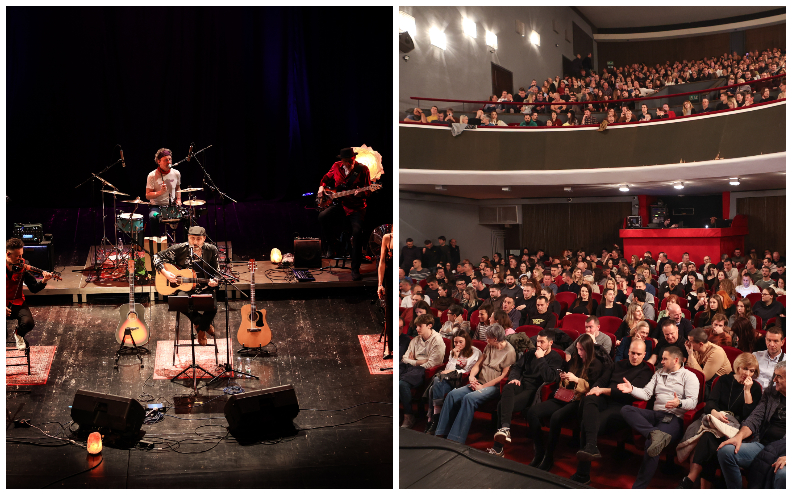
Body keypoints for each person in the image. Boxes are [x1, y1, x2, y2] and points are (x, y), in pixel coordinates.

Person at [571, 339, 654, 484]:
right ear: (628, 352)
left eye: (638, 354)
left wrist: (602, 390)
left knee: (587, 423)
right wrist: (595, 389)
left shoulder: (646, 371)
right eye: (632, 353)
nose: (635, 356)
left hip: (623, 407)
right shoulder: (618, 364)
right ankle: (591, 446)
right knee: (589, 398)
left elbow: (627, 393)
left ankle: (583, 473)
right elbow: (601, 381)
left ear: (644, 355)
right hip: (604, 400)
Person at [618, 346, 699, 488]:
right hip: (655, 414)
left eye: (664, 359)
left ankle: (638, 488)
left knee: (652, 445)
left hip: (673, 418)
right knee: (626, 410)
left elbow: (693, 403)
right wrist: (632, 390)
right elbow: (647, 394)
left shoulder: (690, 376)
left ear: (676, 360)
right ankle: (653, 433)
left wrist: (679, 402)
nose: (661, 361)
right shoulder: (659, 373)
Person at [677, 352, 762, 488]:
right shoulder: (723, 380)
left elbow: (750, 416)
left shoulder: (755, 388)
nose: (748, 373)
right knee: (711, 437)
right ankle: (702, 486)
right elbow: (711, 402)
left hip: (736, 427)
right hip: (716, 421)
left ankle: (690, 479)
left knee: (709, 437)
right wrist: (715, 413)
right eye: (745, 368)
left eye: (752, 371)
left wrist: (747, 391)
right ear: (738, 367)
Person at [526, 334, 608, 471]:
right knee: (532, 412)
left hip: (579, 400)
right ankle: (539, 451)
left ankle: (549, 456)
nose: (579, 353)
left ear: (588, 349)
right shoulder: (575, 360)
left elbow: (594, 388)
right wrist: (564, 377)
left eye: (582, 350)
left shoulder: (596, 364)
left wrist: (576, 380)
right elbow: (563, 377)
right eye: (578, 349)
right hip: (564, 395)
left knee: (556, 417)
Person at [435, 324, 516, 444]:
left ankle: (455, 438)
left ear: (495, 338)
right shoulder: (489, 346)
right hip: (479, 382)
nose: (486, 340)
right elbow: (478, 364)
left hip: (493, 387)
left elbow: (503, 376)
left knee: (469, 398)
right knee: (453, 395)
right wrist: (472, 377)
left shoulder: (510, 351)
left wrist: (483, 387)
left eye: (488, 338)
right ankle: (441, 431)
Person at [489, 328, 563, 456]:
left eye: (542, 342)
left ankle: (498, 447)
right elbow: (517, 367)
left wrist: (541, 359)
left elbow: (549, 378)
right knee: (508, 386)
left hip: (534, 390)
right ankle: (505, 428)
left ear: (550, 343)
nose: (538, 345)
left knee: (502, 405)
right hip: (521, 383)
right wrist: (514, 378)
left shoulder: (555, 357)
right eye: (537, 341)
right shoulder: (530, 352)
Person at [716, 361, 786, 489]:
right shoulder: (771, 393)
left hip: (786, 451)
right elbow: (755, 417)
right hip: (763, 445)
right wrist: (739, 437)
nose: (774, 379)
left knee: (783, 473)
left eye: (779, 376)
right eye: (774, 375)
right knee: (726, 451)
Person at [153, 226, 219, 346]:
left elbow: (217, 273)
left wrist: (215, 280)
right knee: (178, 302)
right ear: (188, 237)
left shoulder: (211, 250)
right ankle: (200, 323)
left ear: (204, 238)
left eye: (198, 239)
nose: (195, 242)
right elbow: (156, 257)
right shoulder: (180, 249)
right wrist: (165, 273)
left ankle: (201, 329)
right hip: (185, 288)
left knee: (213, 307)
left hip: (205, 288)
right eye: (192, 238)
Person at [317, 148, 371, 280]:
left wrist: (362, 193)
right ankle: (331, 245)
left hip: (356, 208)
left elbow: (369, 190)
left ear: (354, 159)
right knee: (323, 217)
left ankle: (355, 269)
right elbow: (325, 178)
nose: (348, 163)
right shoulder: (336, 166)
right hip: (341, 205)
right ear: (342, 160)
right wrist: (321, 187)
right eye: (346, 161)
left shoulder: (363, 169)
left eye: (351, 161)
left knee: (357, 233)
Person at [424, 329, 482, 433]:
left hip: (462, 381)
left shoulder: (475, 352)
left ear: (467, 341)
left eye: (461, 342)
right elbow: (447, 370)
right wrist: (455, 357)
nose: (458, 344)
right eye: (455, 342)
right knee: (437, 382)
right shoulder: (453, 351)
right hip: (450, 380)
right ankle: (436, 419)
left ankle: (433, 418)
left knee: (435, 385)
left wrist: (454, 370)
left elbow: (468, 370)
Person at [5, 238, 54, 350]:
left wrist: (44, 280)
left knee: (28, 323)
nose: (21, 259)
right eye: (18, 256)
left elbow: (33, 288)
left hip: (17, 302)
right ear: (8, 254)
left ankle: (19, 334)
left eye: (21, 255)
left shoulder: (23, 266)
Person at [399, 314, 446, 429]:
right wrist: (416, 361)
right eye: (416, 326)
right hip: (412, 366)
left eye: (420, 326)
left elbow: (431, 364)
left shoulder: (437, 340)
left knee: (402, 384)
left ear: (429, 326)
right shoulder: (416, 339)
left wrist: (414, 361)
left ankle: (409, 415)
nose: (417, 329)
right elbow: (404, 358)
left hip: (424, 370)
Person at [145, 148, 184, 242]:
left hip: (172, 206)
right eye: (166, 160)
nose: (169, 162)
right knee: (153, 217)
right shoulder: (152, 175)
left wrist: (178, 200)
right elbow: (148, 195)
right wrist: (160, 193)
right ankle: (157, 245)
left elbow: (178, 188)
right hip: (156, 207)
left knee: (186, 216)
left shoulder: (176, 173)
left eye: (170, 159)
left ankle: (184, 245)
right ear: (159, 161)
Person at [377, 231, 393, 359]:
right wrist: (380, 284)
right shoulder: (388, 237)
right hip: (390, 277)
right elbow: (382, 261)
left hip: (401, 277)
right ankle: (389, 346)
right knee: (389, 312)